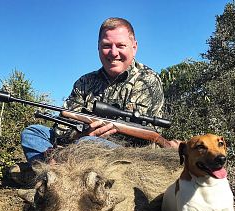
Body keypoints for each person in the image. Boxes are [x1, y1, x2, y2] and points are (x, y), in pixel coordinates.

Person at [9, 17, 178, 184]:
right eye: (106, 45)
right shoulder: (84, 82)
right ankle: (59, 172)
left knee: (88, 143)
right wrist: (80, 134)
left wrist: (91, 139)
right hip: (80, 143)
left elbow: (145, 138)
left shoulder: (147, 80)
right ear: (98, 48)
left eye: (120, 45)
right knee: (33, 133)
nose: (113, 52)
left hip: (125, 155)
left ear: (134, 47)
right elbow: (61, 127)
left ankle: (48, 174)